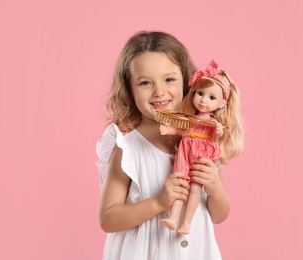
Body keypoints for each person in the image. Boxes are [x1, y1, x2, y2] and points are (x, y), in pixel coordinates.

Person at [96, 31, 230, 259]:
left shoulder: (205, 140)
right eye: (145, 83)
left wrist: (215, 188)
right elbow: (108, 219)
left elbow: (219, 215)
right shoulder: (129, 149)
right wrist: (159, 202)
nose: (159, 91)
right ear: (129, 90)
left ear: (188, 81)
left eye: (169, 79)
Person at [159, 60, 245, 234]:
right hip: (185, 152)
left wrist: (218, 133)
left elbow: (215, 136)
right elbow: (181, 129)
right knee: (181, 183)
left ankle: (186, 223)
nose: (204, 101)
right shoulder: (190, 119)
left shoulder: (212, 123)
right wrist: (169, 129)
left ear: (222, 103)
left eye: (212, 97)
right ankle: (173, 218)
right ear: (193, 93)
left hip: (200, 153)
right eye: (200, 94)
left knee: (196, 188)